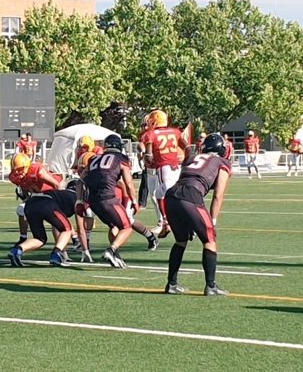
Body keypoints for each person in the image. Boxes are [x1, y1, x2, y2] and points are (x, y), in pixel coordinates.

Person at [164, 133, 232, 296]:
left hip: (171, 195)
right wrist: (212, 220)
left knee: (180, 241)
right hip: (190, 195)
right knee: (209, 239)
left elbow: (185, 180)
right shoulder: (222, 162)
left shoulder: (191, 158)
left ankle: (171, 284)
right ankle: (211, 286)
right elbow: (218, 195)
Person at [82, 134, 139, 269]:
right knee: (127, 227)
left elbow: (81, 179)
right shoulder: (121, 159)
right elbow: (129, 183)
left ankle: (115, 255)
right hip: (108, 199)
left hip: (92, 201)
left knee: (114, 226)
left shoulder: (94, 159)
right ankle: (111, 250)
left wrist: (80, 200)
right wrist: (134, 200)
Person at [142, 110, 186, 238]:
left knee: (171, 197)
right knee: (160, 195)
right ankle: (166, 223)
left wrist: (147, 160)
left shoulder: (150, 134)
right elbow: (187, 147)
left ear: (154, 121)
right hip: (177, 167)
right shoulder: (175, 131)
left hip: (164, 168)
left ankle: (186, 224)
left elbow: (149, 156)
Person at [8, 153, 65, 246]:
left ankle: (64, 247)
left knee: (56, 222)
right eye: (16, 170)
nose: (18, 172)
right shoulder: (14, 177)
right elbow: (25, 190)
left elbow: (57, 185)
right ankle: (23, 237)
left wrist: (59, 201)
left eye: (20, 169)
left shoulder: (36, 170)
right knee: (21, 209)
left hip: (52, 194)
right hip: (38, 197)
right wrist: (25, 197)